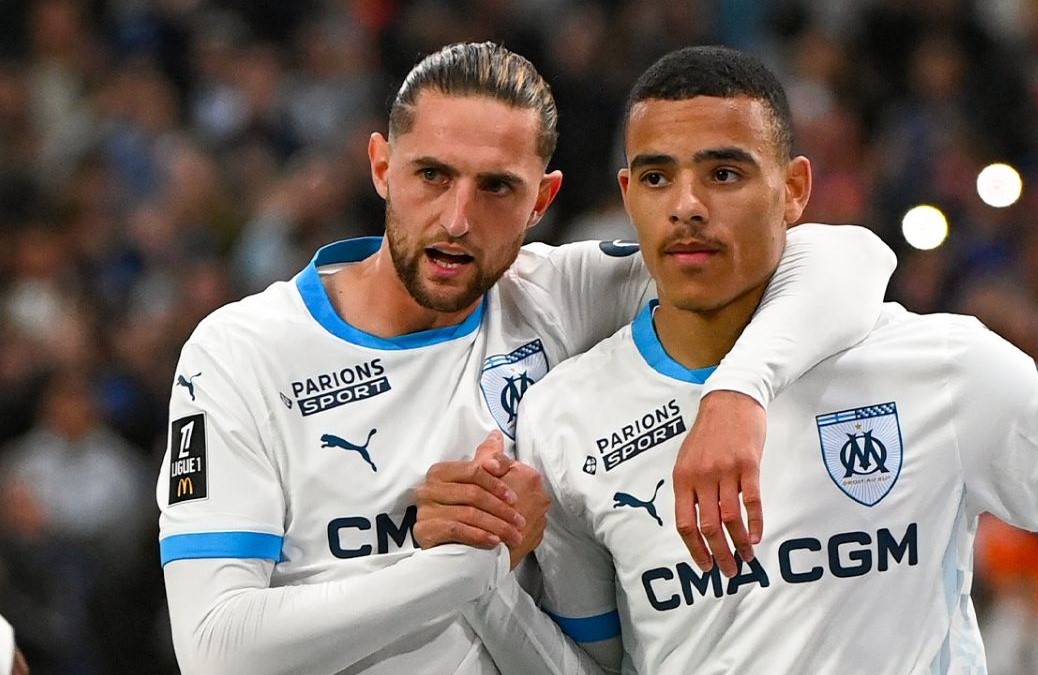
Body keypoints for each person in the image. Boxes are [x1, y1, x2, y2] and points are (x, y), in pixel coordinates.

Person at [446, 46, 1038, 674]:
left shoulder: (948, 368)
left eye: (724, 173)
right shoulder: (563, 416)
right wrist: (471, 574)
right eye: (656, 176)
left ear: (795, 190)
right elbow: (594, 665)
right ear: (627, 194)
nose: (686, 204)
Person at [157, 42, 896, 674]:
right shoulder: (244, 351)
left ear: (542, 199)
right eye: (432, 175)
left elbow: (844, 256)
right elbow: (217, 648)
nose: (457, 218)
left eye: (497, 188)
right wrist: (463, 565)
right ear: (382, 166)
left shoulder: (561, 293)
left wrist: (739, 392)